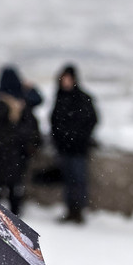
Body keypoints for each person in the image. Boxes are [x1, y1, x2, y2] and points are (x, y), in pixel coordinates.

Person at [0, 65, 43, 215]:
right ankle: (12, 219)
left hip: (2, 154)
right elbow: (37, 101)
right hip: (15, 154)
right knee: (12, 190)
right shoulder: (21, 101)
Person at [49, 63, 98, 224]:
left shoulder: (83, 98)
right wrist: (60, 139)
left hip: (78, 148)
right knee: (69, 180)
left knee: (78, 180)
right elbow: (54, 121)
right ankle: (70, 210)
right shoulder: (60, 97)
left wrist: (78, 137)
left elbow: (91, 120)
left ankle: (78, 212)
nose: (66, 82)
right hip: (64, 148)